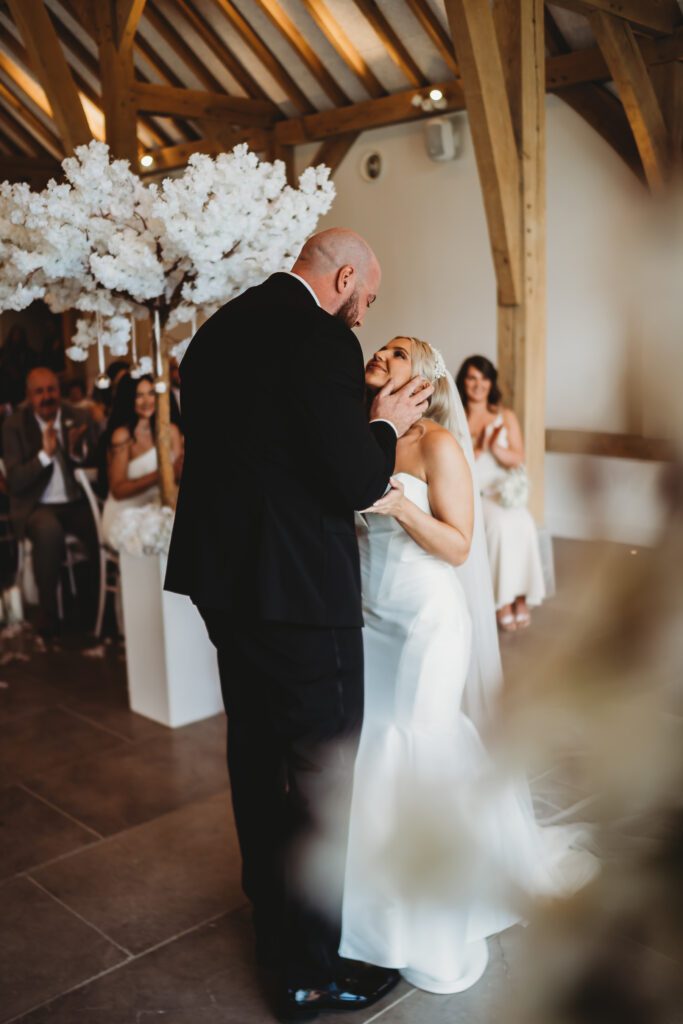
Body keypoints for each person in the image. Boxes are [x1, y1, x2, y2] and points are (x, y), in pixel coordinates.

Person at [164, 228, 433, 1020]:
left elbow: (255, 447)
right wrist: (380, 422)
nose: (363, 316)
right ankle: (310, 972)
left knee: (255, 756)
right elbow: (349, 477)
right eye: (368, 299)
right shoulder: (318, 340)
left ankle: (270, 927)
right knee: (322, 783)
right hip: (300, 599)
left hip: (226, 587)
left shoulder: (215, 332)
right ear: (343, 276)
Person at [340, 338, 596, 994]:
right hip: (372, 616)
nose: (381, 348)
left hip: (426, 620)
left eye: (396, 349)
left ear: (421, 381)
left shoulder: (436, 446)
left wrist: (398, 504)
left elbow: (457, 547)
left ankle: (437, 903)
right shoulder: (362, 432)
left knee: (416, 744)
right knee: (376, 749)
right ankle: (377, 909)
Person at [2, 367, 99, 638]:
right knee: (48, 531)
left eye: (52, 389)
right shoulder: (14, 426)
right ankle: (48, 612)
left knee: (99, 525)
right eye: (39, 392)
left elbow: (95, 465)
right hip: (37, 506)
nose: (47, 397)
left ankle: (96, 605)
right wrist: (45, 455)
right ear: (28, 396)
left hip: (75, 500)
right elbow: (16, 480)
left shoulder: (77, 415)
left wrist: (76, 451)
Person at [457, 355, 545, 631]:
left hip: (502, 491)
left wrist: (496, 449)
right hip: (473, 493)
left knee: (524, 523)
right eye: (472, 378)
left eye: (483, 378)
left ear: (491, 382)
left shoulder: (504, 416)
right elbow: (456, 463)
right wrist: (481, 447)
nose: (478, 384)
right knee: (497, 526)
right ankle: (501, 600)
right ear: (463, 382)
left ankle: (521, 596)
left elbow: (519, 458)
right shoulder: (455, 417)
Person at [101, 374, 183, 546]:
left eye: (151, 393)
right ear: (129, 398)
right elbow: (118, 490)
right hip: (126, 513)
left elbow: (177, 476)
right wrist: (161, 475)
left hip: (162, 508)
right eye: (139, 395)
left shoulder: (171, 431)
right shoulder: (122, 436)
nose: (147, 401)